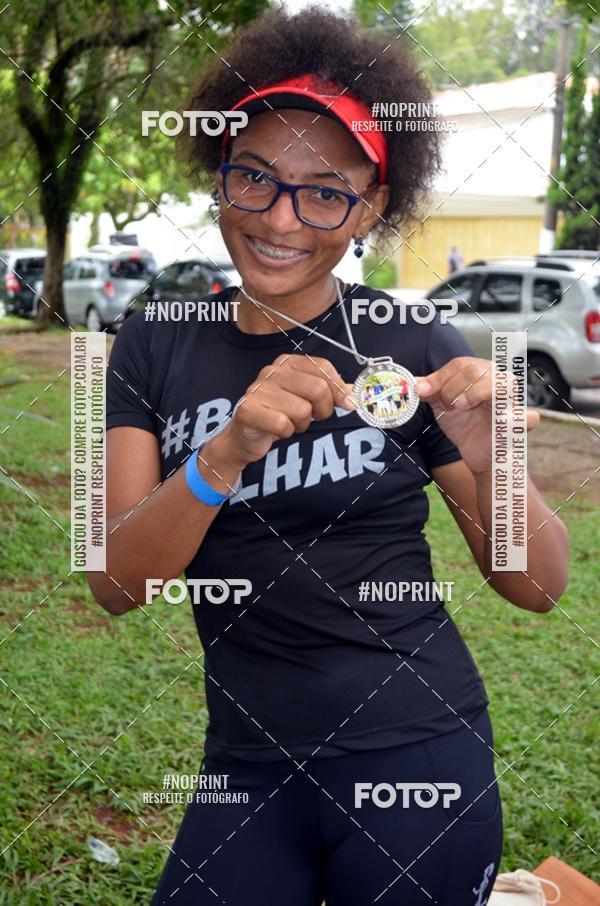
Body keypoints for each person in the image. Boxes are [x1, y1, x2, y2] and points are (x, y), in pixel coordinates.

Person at [87, 8, 569, 906]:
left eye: (324, 192)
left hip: (416, 755)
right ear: (219, 175)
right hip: (245, 764)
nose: (281, 219)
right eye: (255, 180)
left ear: (371, 207)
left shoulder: (411, 338)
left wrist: (490, 458)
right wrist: (223, 455)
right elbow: (114, 583)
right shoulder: (154, 341)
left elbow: (536, 587)